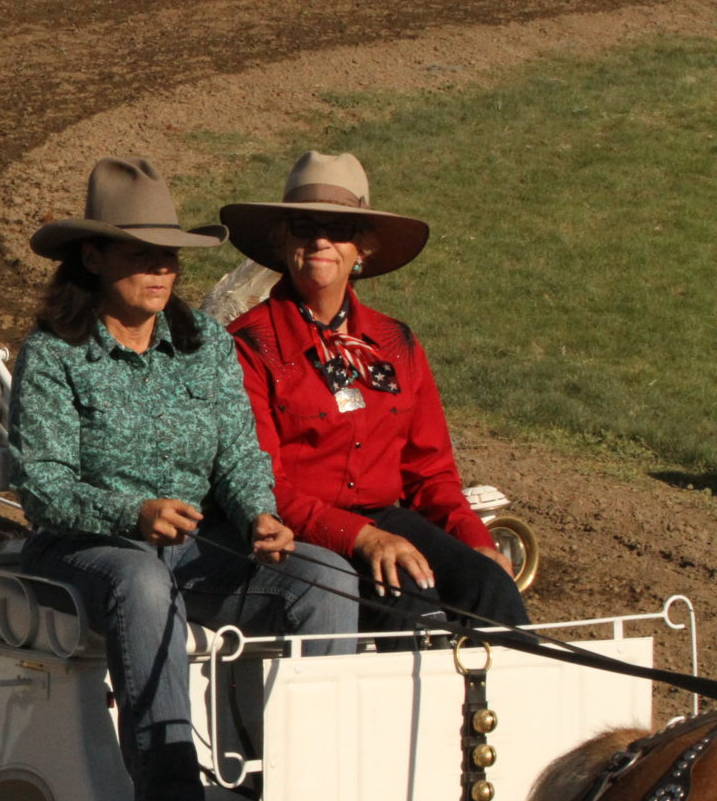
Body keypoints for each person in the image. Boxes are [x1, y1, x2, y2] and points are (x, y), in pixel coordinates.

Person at [8, 157, 358, 801]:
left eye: (168, 257)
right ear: (95, 256)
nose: (161, 270)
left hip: (196, 547)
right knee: (141, 582)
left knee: (327, 581)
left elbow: (239, 451)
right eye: (142, 254)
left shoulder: (202, 344)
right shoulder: (54, 355)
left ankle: (311, 795)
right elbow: (41, 486)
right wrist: (131, 513)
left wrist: (259, 514)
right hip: (84, 552)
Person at [224, 151, 529, 641]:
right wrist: (362, 537)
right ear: (284, 241)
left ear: (361, 247)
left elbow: (430, 471)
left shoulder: (397, 343)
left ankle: (513, 712)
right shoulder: (248, 344)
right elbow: (264, 485)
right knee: (405, 589)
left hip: (388, 519)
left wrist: (476, 542)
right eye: (305, 227)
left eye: (339, 229)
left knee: (488, 584)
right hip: (303, 529)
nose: (321, 240)